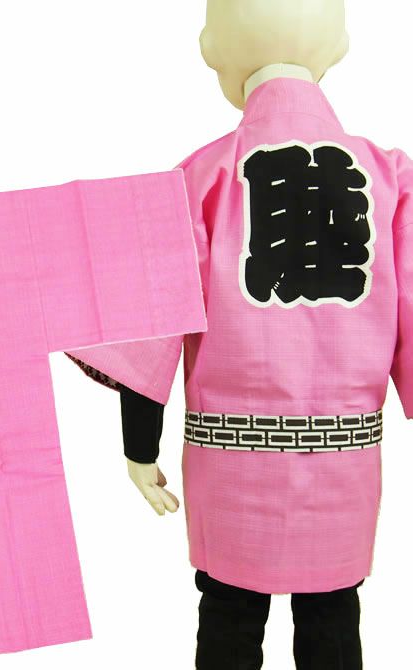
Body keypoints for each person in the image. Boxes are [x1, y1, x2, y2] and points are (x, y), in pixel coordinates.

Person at [64, 2, 413, 667]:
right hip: (343, 459)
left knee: (227, 612)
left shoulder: (198, 174)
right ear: (337, 46)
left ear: (212, 49)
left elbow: (151, 323)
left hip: (231, 458)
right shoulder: (389, 175)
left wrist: (139, 447)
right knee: (333, 610)